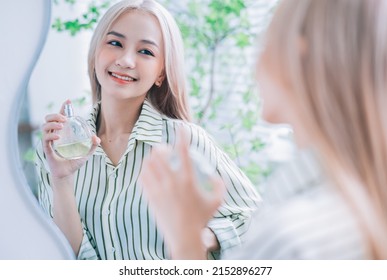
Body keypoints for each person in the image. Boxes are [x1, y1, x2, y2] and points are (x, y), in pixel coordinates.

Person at [140, 0, 387, 259]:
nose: (254, 61)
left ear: (295, 59)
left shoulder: (291, 240)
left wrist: (185, 237)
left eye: (264, 41)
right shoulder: (364, 205)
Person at [35, 0, 260, 260]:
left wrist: (198, 237)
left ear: (161, 73)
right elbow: (65, 255)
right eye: (115, 43)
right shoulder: (58, 149)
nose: (126, 60)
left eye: (146, 52)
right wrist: (61, 180)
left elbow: (256, 221)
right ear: (96, 51)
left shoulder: (185, 142)